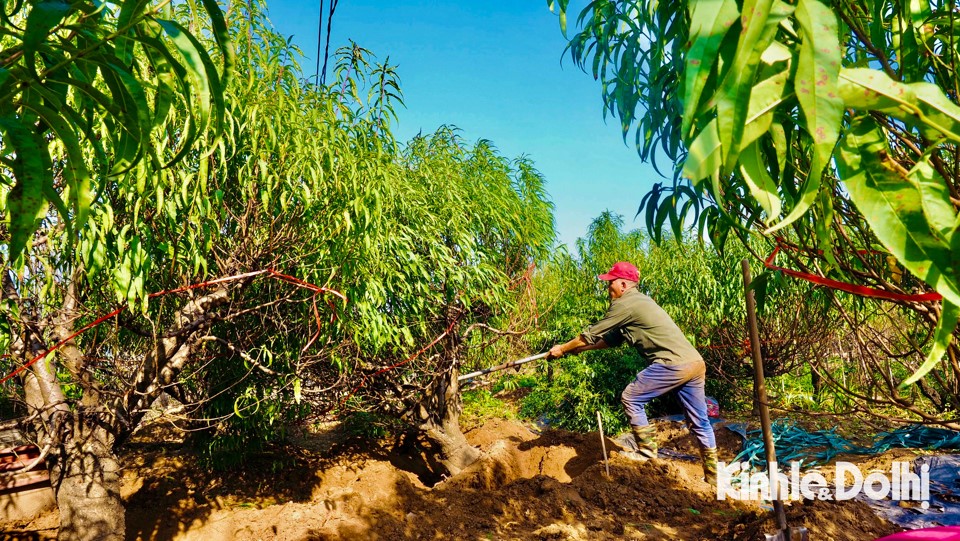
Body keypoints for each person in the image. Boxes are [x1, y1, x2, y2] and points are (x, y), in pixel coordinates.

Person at [547, 261, 718, 484]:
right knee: (700, 421)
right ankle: (713, 477)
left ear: (624, 284)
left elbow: (589, 334)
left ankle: (646, 452)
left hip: (672, 364)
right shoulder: (640, 302)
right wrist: (579, 350)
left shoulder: (625, 304)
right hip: (694, 363)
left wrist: (562, 348)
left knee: (631, 397)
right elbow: (610, 340)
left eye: (611, 283)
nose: (608, 288)